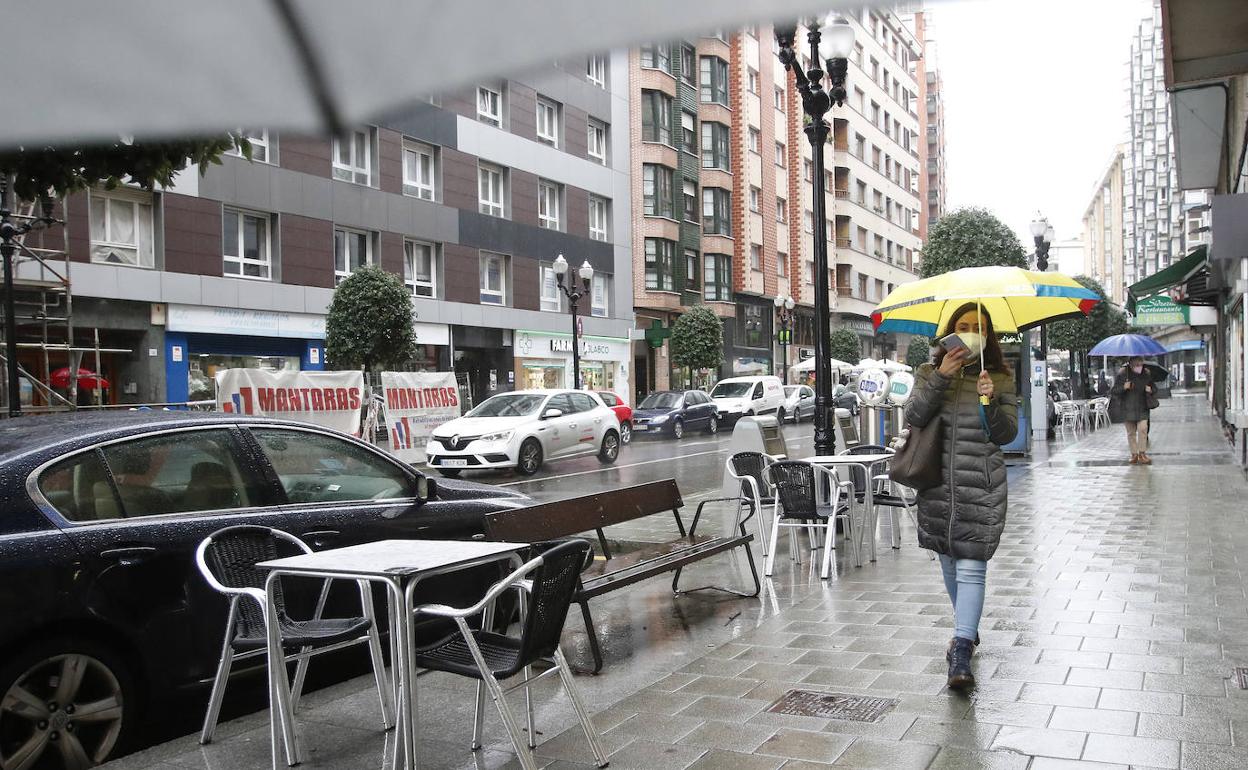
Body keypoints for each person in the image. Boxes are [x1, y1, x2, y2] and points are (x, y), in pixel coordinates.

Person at [904, 304, 1018, 691]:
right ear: (950, 334)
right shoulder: (928, 372)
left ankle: (961, 650)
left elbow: (1005, 435)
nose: (970, 333)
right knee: (949, 561)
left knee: (971, 564)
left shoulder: (999, 377)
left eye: (978, 328)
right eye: (963, 327)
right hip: (935, 482)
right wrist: (940, 377)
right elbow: (914, 416)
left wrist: (988, 400)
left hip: (980, 484)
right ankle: (966, 629)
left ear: (989, 337)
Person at [1110, 355, 1155, 464]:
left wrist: (1151, 390)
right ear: (1130, 364)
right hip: (1127, 408)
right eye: (1136, 365)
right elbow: (1114, 391)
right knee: (1131, 433)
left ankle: (1142, 454)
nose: (1139, 367)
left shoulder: (1146, 374)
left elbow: (1154, 388)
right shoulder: (1123, 374)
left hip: (1142, 407)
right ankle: (1134, 454)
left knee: (1143, 430)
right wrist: (1124, 387)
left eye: (1140, 364)